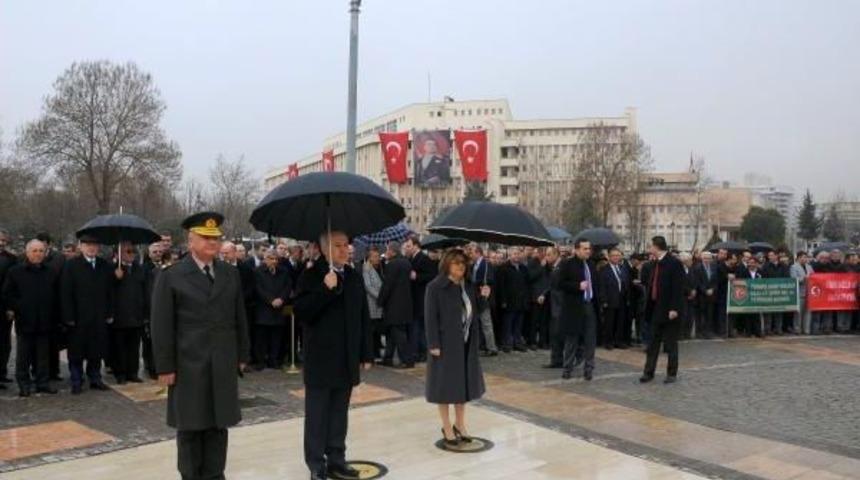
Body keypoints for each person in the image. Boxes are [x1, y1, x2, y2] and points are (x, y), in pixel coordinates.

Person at [151, 212, 250, 480]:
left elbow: (239, 316)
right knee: (191, 427)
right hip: (188, 364)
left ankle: (215, 475)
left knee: (219, 425)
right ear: (190, 240)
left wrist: (242, 353)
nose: (212, 243)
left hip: (222, 361)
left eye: (216, 238)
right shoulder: (172, 275)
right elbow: (161, 325)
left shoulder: (230, 273)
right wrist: (165, 366)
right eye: (205, 238)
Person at [294, 230, 372, 480]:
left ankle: (337, 457)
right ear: (323, 248)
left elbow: (363, 317)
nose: (344, 250)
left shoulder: (353, 276)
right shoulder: (310, 275)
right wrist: (325, 291)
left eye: (346, 245)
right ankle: (316, 463)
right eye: (337, 245)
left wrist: (365, 352)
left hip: (346, 357)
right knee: (317, 414)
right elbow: (302, 312)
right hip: (321, 358)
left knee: (339, 413)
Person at [424, 248, 486, 447]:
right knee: (445, 387)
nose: (461, 266)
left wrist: (484, 296)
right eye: (456, 262)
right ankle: (446, 426)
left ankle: (460, 423)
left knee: (463, 386)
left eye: (463, 263)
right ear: (447, 264)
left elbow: (477, 311)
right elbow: (430, 317)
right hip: (445, 344)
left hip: (466, 344)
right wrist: (433, 343)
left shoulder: (468, 285)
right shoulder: (435, 287)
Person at [2, 239, 59, 396]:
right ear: (27, 253)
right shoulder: (15, 272)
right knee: (23, 356)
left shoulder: (51, 272)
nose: (38, 254)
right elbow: (7, 294)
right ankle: (24, 384)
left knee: (43, 356)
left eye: (41, 251)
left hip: (45, 320)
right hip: (25, 320)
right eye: (34, 251)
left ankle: (42, 382)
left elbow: (57, 295)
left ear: (45, 253)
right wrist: (18, 308)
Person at [61, 234, 114, 394]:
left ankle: (95, 378)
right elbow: (65, 292)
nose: (91, 248)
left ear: (98, 248)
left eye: (94, 245)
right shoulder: (72, 265)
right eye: (87, 245)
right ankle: (76, 380)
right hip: (78, 317)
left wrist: (109, 312)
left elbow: (110, 292)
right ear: (81, 246)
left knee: (96, 350)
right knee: (76, 351)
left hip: (98, 316)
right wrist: (68, 316)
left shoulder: (105, 266)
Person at [640, 236, 685, 384]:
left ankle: (671, 373)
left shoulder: (674, 263)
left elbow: (678, 288)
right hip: (655, 309)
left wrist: (674, 308)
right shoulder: (654, 263)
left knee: (671, 343)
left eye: (650, 246)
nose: (649, 249)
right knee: (653, 343)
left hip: (669, 310)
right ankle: (648, 372)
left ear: (657, 247)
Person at [557, 239, 597, 380]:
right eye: (585, 248)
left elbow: (595, 285)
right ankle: (567, 368)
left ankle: (589, 369)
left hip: (588, 305)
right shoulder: (567, 264)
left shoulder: (591, 265)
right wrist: (577, 286)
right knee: (572, 339)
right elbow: (559, 283)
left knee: (590, 339)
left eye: (589, 248)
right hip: (574, 306)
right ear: (577, 249)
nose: (588, 251)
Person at [111, 241, 147, 384]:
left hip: (136, 315)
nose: (132, 254)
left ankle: (133, 372)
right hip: (120, 315)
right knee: (119, 347)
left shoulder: (139, 269)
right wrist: (115, 278)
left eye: (133, 251)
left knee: (134, 347)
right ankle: (120, 373)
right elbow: (108, 291)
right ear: (119, 254)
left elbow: (144, 291)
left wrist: (144, 313)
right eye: (128, 251)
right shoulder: (114, 269)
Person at [253, 249, 292, 370]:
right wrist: (270, 300)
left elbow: (287, 286)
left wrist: (281, 299)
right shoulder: (257, 271)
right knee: (262, 338)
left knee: (277, 337)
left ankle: (273, 360)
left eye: (276, 259)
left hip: (279, 309)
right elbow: (258, 288)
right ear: (265, 259)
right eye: (271, 258)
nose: (274, 261)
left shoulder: (284, 272)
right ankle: (260, 361)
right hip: (263, 309)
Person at [378, 241, 414, 368]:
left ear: (392, 251)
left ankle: (407, 359)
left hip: (394, 305)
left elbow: (387, 285)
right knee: (392, 332)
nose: (386, 252)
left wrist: (380, 300)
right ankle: (388, 358)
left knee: (398, 333)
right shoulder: (406, 262)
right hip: (404, 303)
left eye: (387, 250)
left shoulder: (393, 264)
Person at [405, 236, 435, 362]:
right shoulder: (411, 258)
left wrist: (417, 276)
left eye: (409, 246)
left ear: (416, 246)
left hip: (421, 298)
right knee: (418, 326)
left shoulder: (424, 258)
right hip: (415, 298)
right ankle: (420, 352)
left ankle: (419, 352)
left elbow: (432, 276)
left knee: (418, 326)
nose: (407, 248)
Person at [496, 247, 530, 352]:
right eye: (514, 254)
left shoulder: (524, 268)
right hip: (509, 302)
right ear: (509, 255)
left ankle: (517, 343)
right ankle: (507, 344)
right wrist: (503, 301)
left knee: (518, 325)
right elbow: (501, 286)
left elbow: (527, 284)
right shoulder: (503, 268)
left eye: (518, 254)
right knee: (508, 324)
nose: (516, 256)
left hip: (521, 301)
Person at [468, 244, 498, 357]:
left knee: (486, 323)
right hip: (474, 297)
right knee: (476, 323)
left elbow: (490, 279)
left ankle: (492, 347)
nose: (471, 255)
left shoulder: (486, 264)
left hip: (483, 297)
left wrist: (478, 283)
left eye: (473, 253)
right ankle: (480, 346)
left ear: (478, 253)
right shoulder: (473, 265)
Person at [598, 248, 629, 349]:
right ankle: (608, 342)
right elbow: (601, 286)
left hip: (622, 299)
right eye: (614, 255)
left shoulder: (622, 268)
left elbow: (625, 282)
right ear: (609, 257)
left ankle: (618, 341)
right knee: (609, 322)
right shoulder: (604, 270)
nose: (616, 257)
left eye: (618, 255)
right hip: (610, 299)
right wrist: (604, 300)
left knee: (620, 321)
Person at [0, 229, 18, 387]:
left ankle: (2, 372)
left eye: (4, 240)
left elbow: (14, 285)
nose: (1, 243)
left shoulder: (12, 259)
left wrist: (11, 307)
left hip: (4, 307)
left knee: (5, 342)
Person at [542, 246, 565, 368]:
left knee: (557, 334)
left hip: (560, 306)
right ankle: (556, 359)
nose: (546, 257)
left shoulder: (562, 267)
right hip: (555, 306)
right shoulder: (553, 267)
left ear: (556, 255)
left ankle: (559, 360)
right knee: (555, 334)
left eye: (549, 254)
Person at [361, 246, 385, 361]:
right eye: (375, 257)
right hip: (372, 303)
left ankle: (376, 352)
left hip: (378, 305)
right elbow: (368, 286)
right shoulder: (367, 268)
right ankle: (371, 354)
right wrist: (380, 297)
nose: (378, 258)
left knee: (377, 331)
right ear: (369, 258)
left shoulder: (379, 268)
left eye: (378, 256)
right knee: (371, 331)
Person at [693, 251, 719, 339]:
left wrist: (713, 289)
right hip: (701, 295)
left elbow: (716, 281)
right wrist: (705, 291)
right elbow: (697, 282)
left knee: (709, 314)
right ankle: (699, 332)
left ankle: (708, 331)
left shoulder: (714, 267)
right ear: (702, 258)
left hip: (712, 295)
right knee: (700, 314)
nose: (707, 260)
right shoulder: (697, 268)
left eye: (709, 258)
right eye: (705, 258)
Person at [791, 252, 814, 335]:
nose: (805, 259)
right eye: (803, 257)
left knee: (808, 312)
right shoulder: (794, 267)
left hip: (809, 292)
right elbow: (794, 279)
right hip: (799, 292)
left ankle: (806, 329)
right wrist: (804, 278)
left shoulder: (809, 267)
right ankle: (797, 329)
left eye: (806, 257)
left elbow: (814, 277)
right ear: (799, 258)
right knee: (798, 312)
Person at [679, 252, 699, 339]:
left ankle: (688, 333)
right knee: (683, 316)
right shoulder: (679, 270)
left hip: (692, 297)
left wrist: (694, 290)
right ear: (684, 261)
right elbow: (681, 284)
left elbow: (695, 281)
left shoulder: (692, 269)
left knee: (690, 316)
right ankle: (681, 334)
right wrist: (689, 291)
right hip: (683, 296)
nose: (691, 262)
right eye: (690, 260)